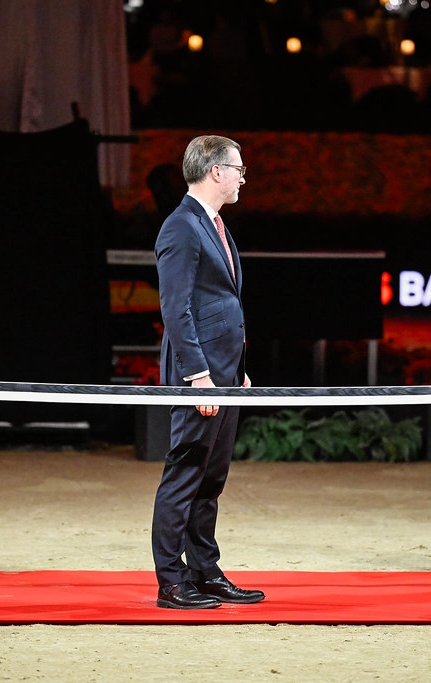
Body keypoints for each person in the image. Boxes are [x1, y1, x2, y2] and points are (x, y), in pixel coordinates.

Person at [150, 135, 264, 609]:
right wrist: (198, 376)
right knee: (185, 473)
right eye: (238, 169)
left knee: (211, 477)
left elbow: (221, 302)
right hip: (199, 376)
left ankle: (204, 571)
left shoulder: (213, 224)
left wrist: (236, 371)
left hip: (224, 374)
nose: (242, 178)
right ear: (216, 171)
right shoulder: (181, 227)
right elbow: (175, 309)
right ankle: (172, 581)